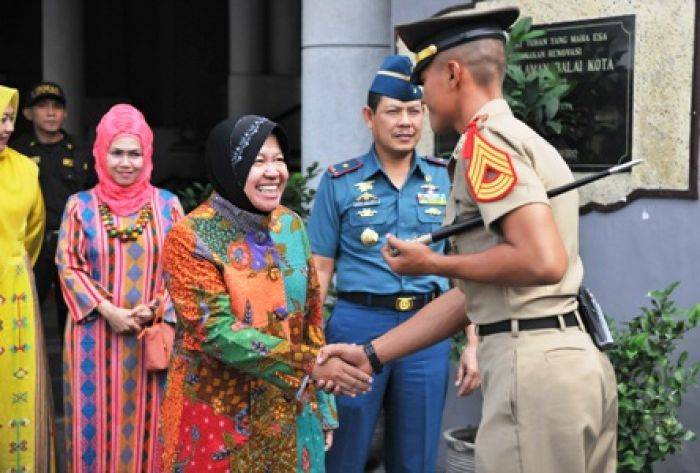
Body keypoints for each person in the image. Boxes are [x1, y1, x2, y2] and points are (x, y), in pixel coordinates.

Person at [318, 6, 618, 473]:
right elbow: (477, 292)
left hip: (533, 371)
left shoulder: (486, 144)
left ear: (452, 73)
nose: (421, 103)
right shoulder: (522, 138)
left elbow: (541, 260)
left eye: (424, 85)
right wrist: (372, 354)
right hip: (567, 363)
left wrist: (434, 264)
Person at [159, 115, 370, 472]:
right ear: (229, 167)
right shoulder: (190, 236)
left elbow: (311, 317)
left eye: (278, 160)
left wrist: (323, 406)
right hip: (219, 418)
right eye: (258, 161)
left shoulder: (289, 224)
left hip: (292, 411)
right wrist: (310, 367)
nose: (274, 172)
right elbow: (215, 332)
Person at [307, 54, 466, 473]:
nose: (406, 122)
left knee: (416, 457)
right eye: (394, 111)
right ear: (369, 116)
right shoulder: (340, 181)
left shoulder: (445, 177)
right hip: (357, 325)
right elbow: (319, 270)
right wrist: (309, 345)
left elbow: (462, 265)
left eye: (415, 111)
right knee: (344, 451)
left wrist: (477, 344)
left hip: (430, 328)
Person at [56, 103, 183, 472]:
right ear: (100, 153)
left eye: (134, 153)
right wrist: (109, 312)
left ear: (147, 155)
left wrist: (156, 308)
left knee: (153, 427)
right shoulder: (79, 207)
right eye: (117, 152)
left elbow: (186, 270)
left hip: (152, 337)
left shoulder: (168, 207)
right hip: (92, 338)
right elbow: (68, 265)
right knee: (92, 429)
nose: (126, 163)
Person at [0, 85, 56, 471]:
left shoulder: (26, 169)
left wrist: (14, 267)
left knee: (16, 389)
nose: (3, 127)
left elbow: (34, 232)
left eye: (7, 118)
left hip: (15, 291)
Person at [12, 82, 95, 332]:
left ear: (65, 113)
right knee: (26, 310)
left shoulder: (81, 151)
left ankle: (72, 370)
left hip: (73, 243)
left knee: (73, 313)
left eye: (57, 107)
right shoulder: (18, 152)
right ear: (28, 114)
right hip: (32, 244)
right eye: (43, 107)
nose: (50, 113)